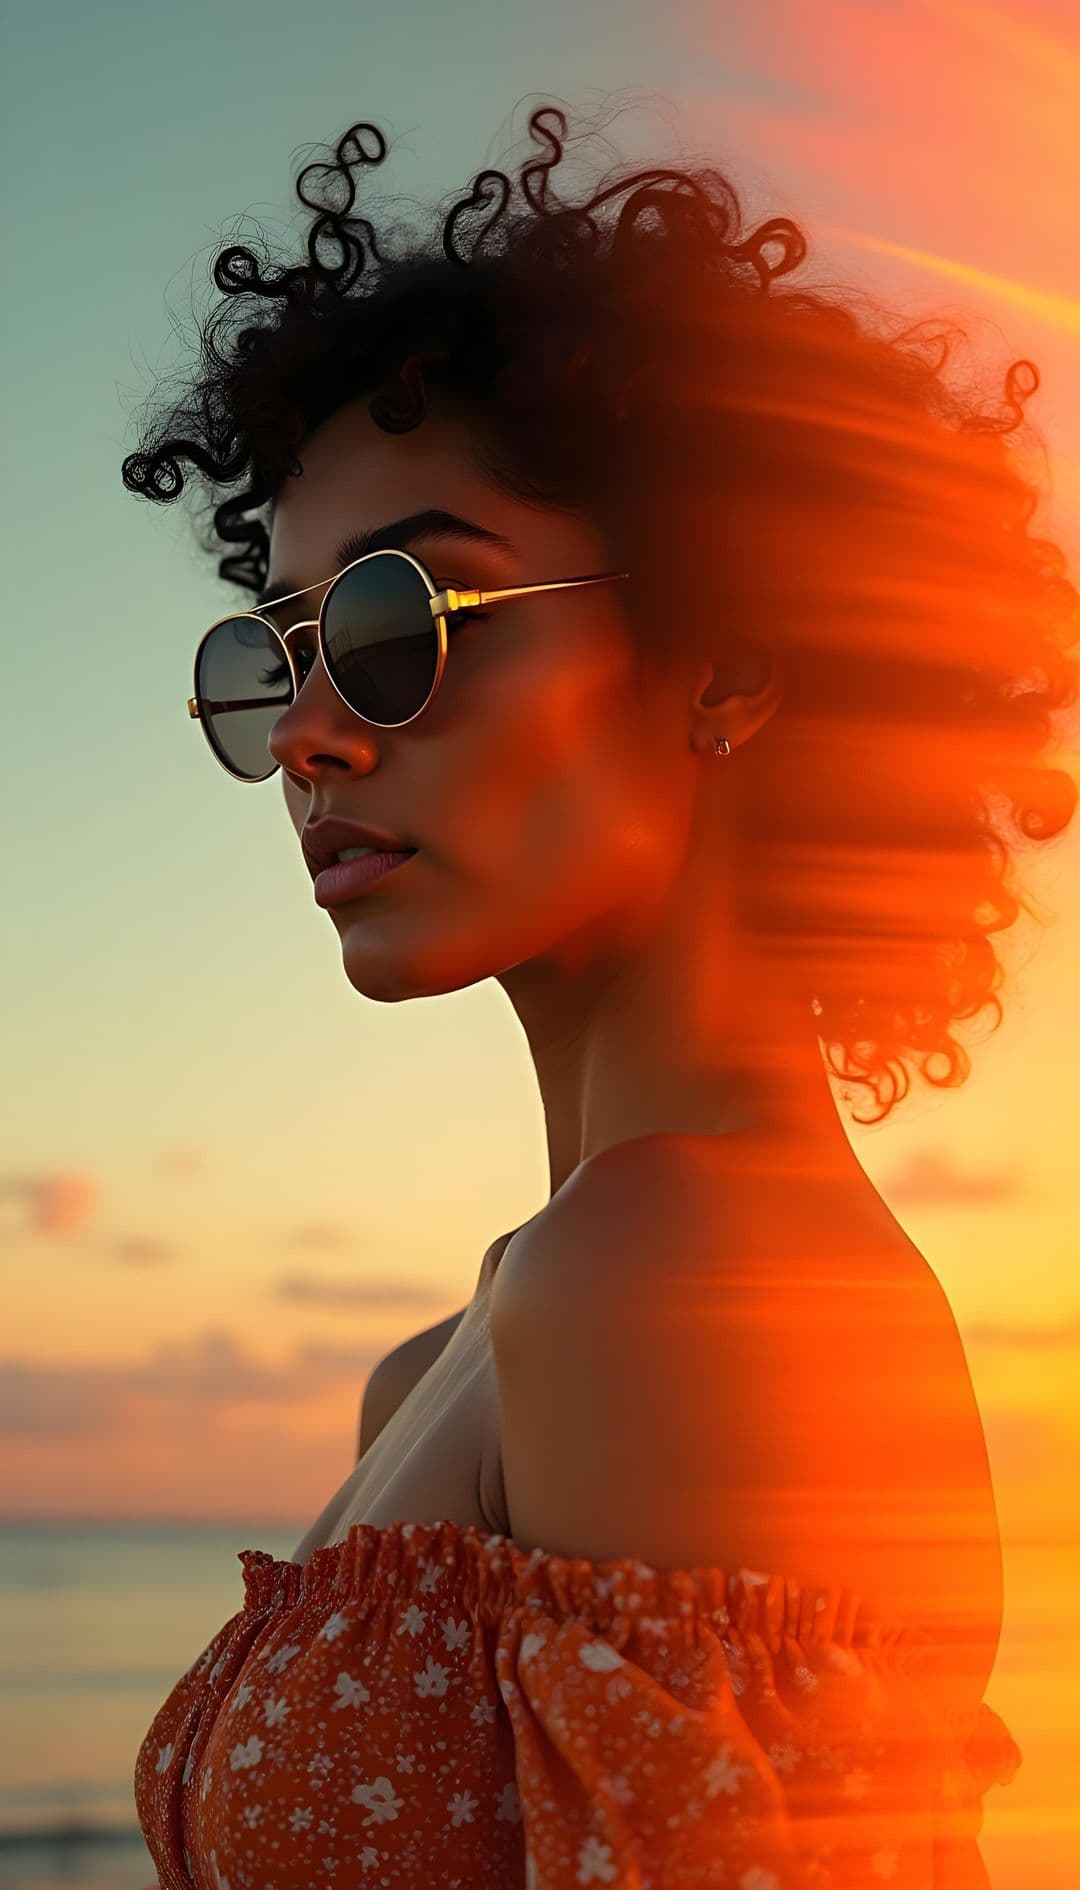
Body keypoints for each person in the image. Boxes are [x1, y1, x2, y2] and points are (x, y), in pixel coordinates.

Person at [124, 97, 1070, 1889]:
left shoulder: (671, 1284)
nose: (311, 733)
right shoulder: (465, 1344)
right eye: (278, 651)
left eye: (404, 624)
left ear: (726, 665)